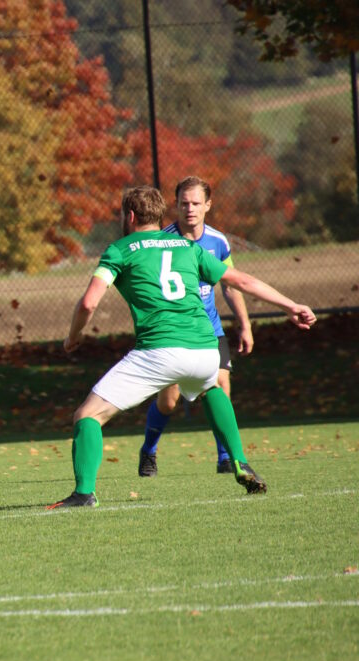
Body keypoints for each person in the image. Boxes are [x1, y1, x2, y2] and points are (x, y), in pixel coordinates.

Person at [49, 186, 316, 509]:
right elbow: (241, 281)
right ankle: (239, 460)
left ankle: (83, 493)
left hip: (159, 350)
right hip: (206, 349)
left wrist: (73, 336)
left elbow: (89, 303)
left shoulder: (119, 249)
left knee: (87, 415)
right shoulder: (188, 247)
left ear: (129, 216)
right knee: (210, 387)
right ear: (160, 215)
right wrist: (291, 306)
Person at [138, 176, 253, 478]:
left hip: (210, 330)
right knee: (168, 401)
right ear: (175, 205)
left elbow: (230, 285)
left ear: (208, 205)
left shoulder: (218, 242)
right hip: (174, 332)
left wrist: (244, 324)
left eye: (196, 203)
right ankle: (149, 450)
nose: (190, 209)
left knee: (221, 386)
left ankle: (226, 458)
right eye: (184, 203)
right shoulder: (161, 242)